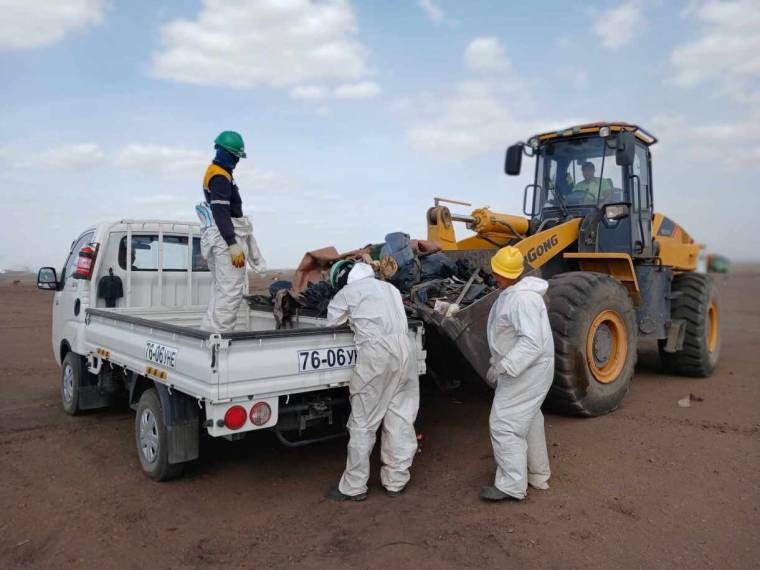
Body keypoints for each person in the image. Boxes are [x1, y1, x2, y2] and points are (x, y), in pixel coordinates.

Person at [325, 261, 420, 501]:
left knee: (363, 423)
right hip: (406, 351)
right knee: (400, 418)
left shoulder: (348, 292)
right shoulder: (391, 289)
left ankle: (354, 486)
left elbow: (332, 320)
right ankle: (396, 481)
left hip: (376, 356)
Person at [480, 246, 555, 502]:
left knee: (504, 425)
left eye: (499, 273)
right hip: (527, 368)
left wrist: (504, 366)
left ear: (512, 274)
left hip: (525, 370)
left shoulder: (522, 299)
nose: (495, 277)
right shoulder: (513, 294)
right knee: (530, 420)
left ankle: (511, 485)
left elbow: (532, 343)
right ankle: (538, 475)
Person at [198, 131, 266, 332]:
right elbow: (220, 211)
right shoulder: (219, 176)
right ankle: (219, 340)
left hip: (221, 237)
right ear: (225, 153)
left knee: (223, 291)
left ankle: (208, 333)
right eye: (235, 156)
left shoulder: (220, 173)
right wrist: (232, 243)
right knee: (231, 292)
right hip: (226, 238)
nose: (237, 160)